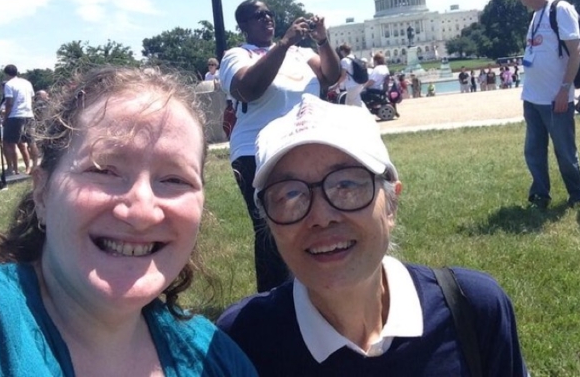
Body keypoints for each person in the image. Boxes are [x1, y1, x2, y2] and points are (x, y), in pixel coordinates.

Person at [217, 94, 530, 377]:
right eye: (290, 195)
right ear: (269, 223)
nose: (321, 217)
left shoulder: (472, 311)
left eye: (347, 186)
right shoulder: (240, 340)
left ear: (391, 203)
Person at [0, 66, 257, 376]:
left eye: (174, 179)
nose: (141, 212)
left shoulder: (217, 360)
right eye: (104, 171)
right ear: (42, 193)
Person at [219, 0, 340, 292]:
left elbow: (331, 76)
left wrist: (322, 40)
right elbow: (249, 89)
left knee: (307, 218)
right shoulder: (237, 55)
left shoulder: (301, 54)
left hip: (300, 146)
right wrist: (283, 44)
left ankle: (307, 288)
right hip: (255, 151)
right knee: (270, 226)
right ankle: (273, 300)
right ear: (243, 25)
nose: (267, 19)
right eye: (258, 15)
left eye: (269, 14)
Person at [510, 0, 580, 210]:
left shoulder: (561, 10)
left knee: (565, 150)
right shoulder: (536, 16)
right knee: (534, 150)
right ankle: (540, 195)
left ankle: (578, 196)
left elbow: (575, 51)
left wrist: (564, 89)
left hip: (556, 96)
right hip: (533, 97)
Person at [1, 64, 37, 175]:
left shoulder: (9, 84)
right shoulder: (27, 83)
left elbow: (9, 103)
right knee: (31, 142)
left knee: (7, 142)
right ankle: (35, 166)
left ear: (7, 74)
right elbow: (32, 98)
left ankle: (12, 168)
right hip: (29, 114)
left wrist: (5, 118)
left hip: (15, 116)